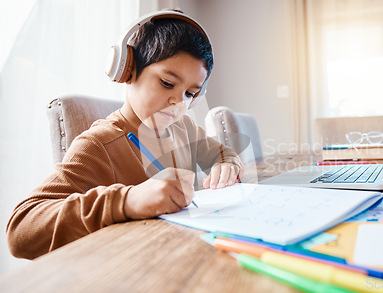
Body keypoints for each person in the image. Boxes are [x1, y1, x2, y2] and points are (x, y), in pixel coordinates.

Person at [6, 10, 243, 260]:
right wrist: (127, 200)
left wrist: (227, 163)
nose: (179, 103)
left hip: (182, 255)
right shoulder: (98, 145)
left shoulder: (184, 128)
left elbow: (221, 153)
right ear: (127, 70)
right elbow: (20, 231)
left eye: (190, 94)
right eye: (167, 83)